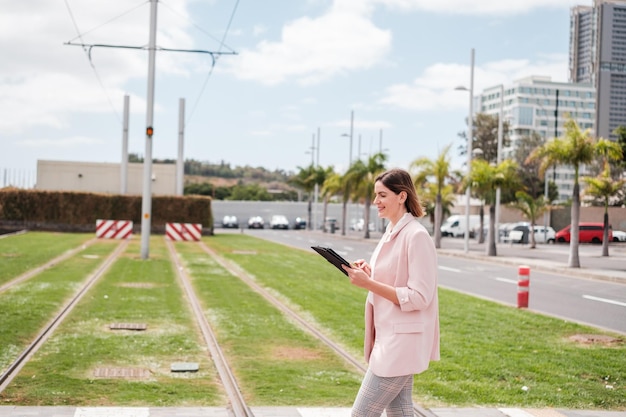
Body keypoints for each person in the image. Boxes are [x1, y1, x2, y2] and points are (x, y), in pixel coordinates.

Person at [342, 168, 440, 417]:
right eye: (375, 195)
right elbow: (395, 276)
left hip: (400, 343)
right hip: (390, 338)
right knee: (399, 412)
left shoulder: (416, 236)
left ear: (402, 196)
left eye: (382, 195)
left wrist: (369, 284)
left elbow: (419, 296)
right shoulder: (391, 232)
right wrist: (370, 272)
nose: (376, 202)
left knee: (361, 414)